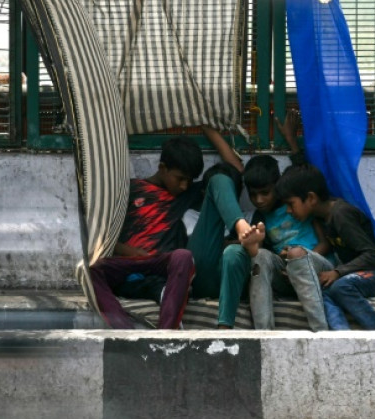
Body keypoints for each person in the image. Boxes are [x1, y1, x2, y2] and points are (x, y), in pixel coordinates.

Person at [87, 127, 252, 329]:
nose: (184, 185)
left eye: (189, 180)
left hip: (168, 269)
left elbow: (235, 170)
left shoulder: (186, 194)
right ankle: (139, 318)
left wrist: (208, 127)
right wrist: (135, 254)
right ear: (162, 167)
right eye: (180, 178)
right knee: (100, 271)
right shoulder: (130, 189)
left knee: (219, 180)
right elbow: (101, 237)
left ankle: (241, 227)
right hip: (131, 266)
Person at [216, 111, 331, 330]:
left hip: (315, 267)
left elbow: (304, 172)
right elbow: (235, 164)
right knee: (260, 256)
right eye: (253, 195)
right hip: (285, 275)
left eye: (265, 193)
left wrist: (291, 139)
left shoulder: (298, 203)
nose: (259, 200)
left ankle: (321, 332)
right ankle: (263, 334)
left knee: (297, 254)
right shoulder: (260, 218)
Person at [259, 163, 375, 330]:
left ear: (311, 198)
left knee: (341, 287)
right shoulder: (320, 218)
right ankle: (340, 337)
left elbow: (371, 255)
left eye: (291, 203)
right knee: (325, 290)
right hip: (353, 272)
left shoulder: (340, 214)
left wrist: (338, 272)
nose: (288, 210)